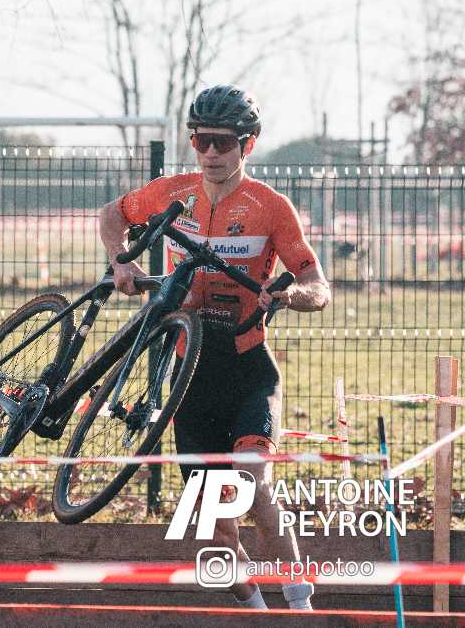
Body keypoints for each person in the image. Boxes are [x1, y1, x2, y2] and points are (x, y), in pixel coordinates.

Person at [98, 85, 331, 610]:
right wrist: (120, 260)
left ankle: (300, 604)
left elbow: (318, 286)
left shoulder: (271, 207)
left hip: (248, 368)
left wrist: (291, 295)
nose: (209, 152)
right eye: (200, 140)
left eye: (222, 142)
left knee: (251, 483)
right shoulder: (173, 192)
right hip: (190, 376)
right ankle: (256, 612)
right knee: (213, 526)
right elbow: (112, 214)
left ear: (247, 145)